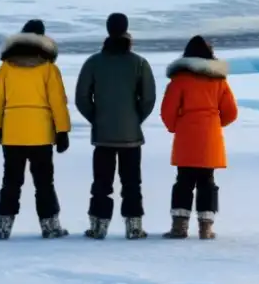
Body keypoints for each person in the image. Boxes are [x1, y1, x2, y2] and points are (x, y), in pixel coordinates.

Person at [74, 12, 156, 240]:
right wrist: (134, 118)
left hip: (103, 135)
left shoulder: (93, 63)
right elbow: (148, 98)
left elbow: (82, 98)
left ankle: (98, 226)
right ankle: (134, 227)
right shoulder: (139, 63)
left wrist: (97, 117)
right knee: (132, 182)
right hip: (131, 135)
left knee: (101, 182)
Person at [0, 19, 70, 240]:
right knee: (44, 182)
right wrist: (62, 131)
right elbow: (58, 102)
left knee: (11, 181)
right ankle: (50, 226)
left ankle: (3, 227)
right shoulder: (49, 69)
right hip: (40, 134)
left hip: (12, 133)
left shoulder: (6, 68)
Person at [160, 35, 238, 240]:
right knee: (207, 181)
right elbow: (231, 112)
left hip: (186, 136)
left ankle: (179, 227)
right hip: (210, 137)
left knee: (183, 181)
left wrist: (177, 126)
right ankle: (206, 228)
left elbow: (167, 111)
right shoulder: (219, 81)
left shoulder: (179, 80)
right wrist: (213, 125)